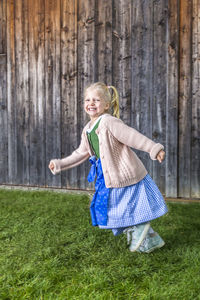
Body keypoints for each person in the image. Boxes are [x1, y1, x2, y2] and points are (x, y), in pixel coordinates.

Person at [49, 82, 168, 253]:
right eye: (87, 100)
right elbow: (81, 153)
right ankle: (151, 240)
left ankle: (140, 226)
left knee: (117, 207)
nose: (91, 103)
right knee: (109, 207)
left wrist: (153, 148)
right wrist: (60, 164)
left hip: (123, 173)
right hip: (107, 176)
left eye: (96, 100)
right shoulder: (88, 129)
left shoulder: (109, 122)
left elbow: (132, 137)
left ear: (106, 105)